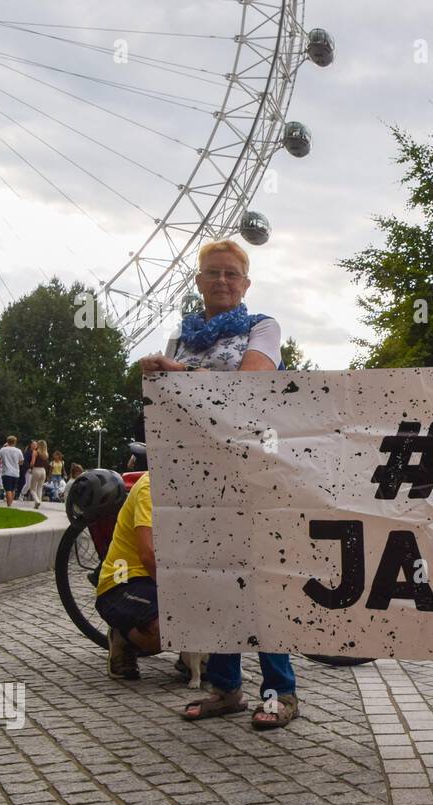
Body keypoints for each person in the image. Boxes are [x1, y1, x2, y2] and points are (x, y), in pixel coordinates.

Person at [140, 239, 300, 729]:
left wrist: (179, 373)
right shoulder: (179, 339)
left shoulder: (263, 327)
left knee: (261, 580)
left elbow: (252, 384)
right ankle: (225, 686)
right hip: (196, 474)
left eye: (232, 274)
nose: (223, 281)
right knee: (216, 578)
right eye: (213, 273)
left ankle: (280, 691)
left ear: (246, 284)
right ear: (198, 282)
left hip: (252, 471)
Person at [94, 471, 160, 680]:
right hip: (122, 581)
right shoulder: (151, 487)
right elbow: (148, 555)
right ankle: (122, 637)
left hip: (153, 581)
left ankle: (190, 658)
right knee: (172, 624)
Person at [0, 437, 23, 507]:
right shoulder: (18, 450)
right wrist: (17, 464)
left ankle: (9, 505)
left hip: (6, 472)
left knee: (8, 489)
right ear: (15, 442)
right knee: (13, 489)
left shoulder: (3, 450)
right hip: (16, 473)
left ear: (7, 441)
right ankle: (11, 503)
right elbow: (21, 462)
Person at [24, 439, 48, 509]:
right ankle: (38, 502)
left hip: (36, 469)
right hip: (43, 471)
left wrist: (30, 467)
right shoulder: (46, 453)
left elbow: (32, 463)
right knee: (40, 487)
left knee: (32, 489)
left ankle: (37, 501)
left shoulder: (35, 452)